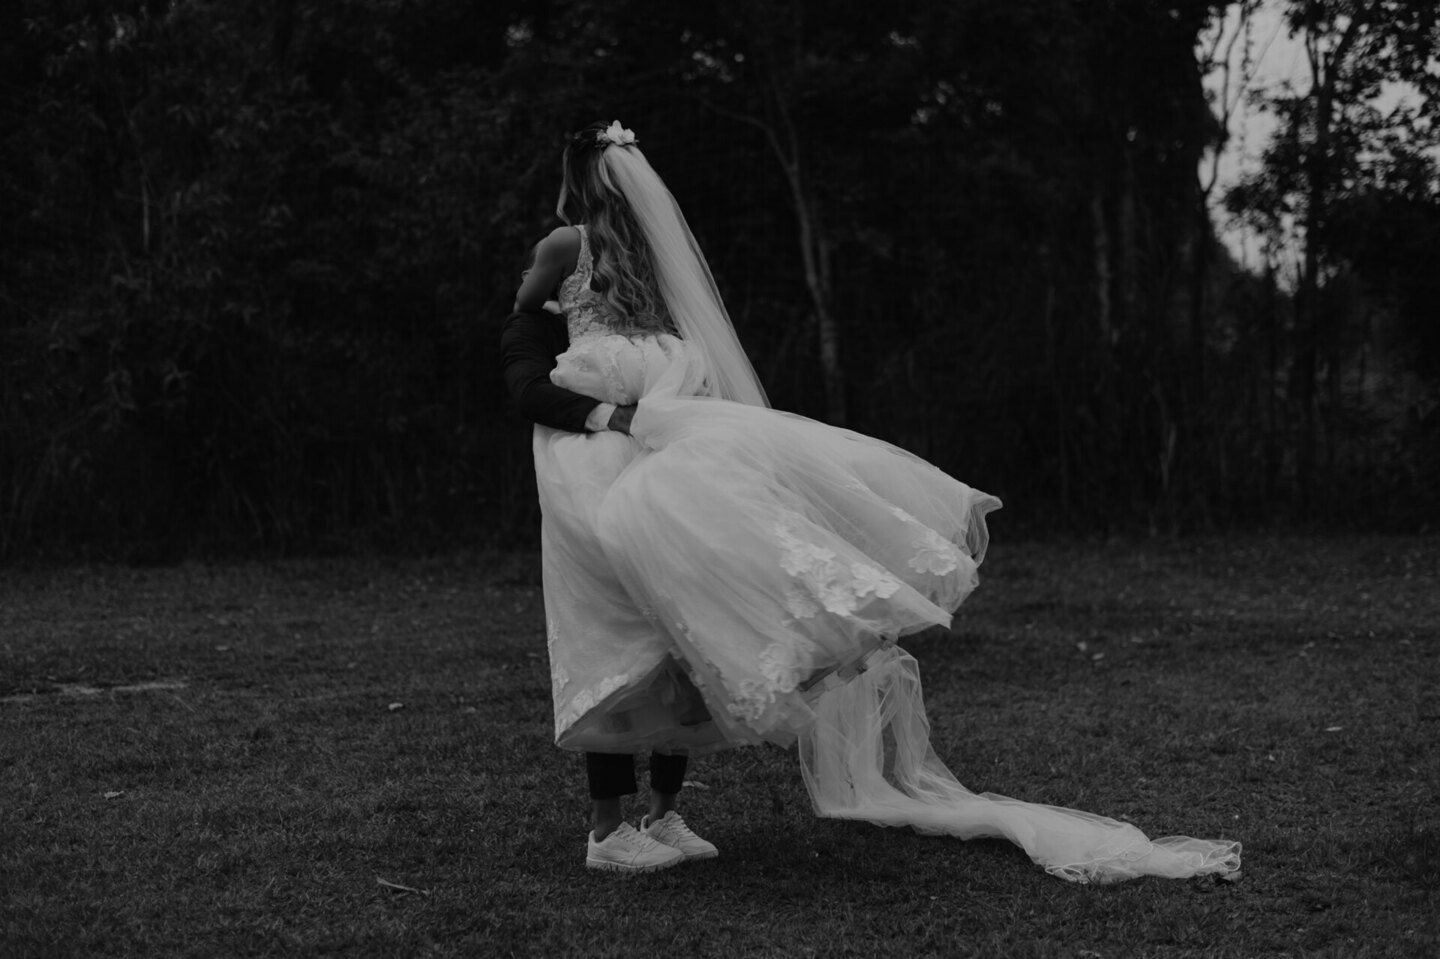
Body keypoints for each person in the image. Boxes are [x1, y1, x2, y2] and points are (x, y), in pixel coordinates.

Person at [508, 120, 1242, 883]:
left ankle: (661, 810)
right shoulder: (597, 252)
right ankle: (608, 825)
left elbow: (578, 317)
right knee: (622, 633)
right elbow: (528, 330)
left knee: (693, 625)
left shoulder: (617, 256)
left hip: (661, 450)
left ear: (576, 175)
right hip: (598, 462)